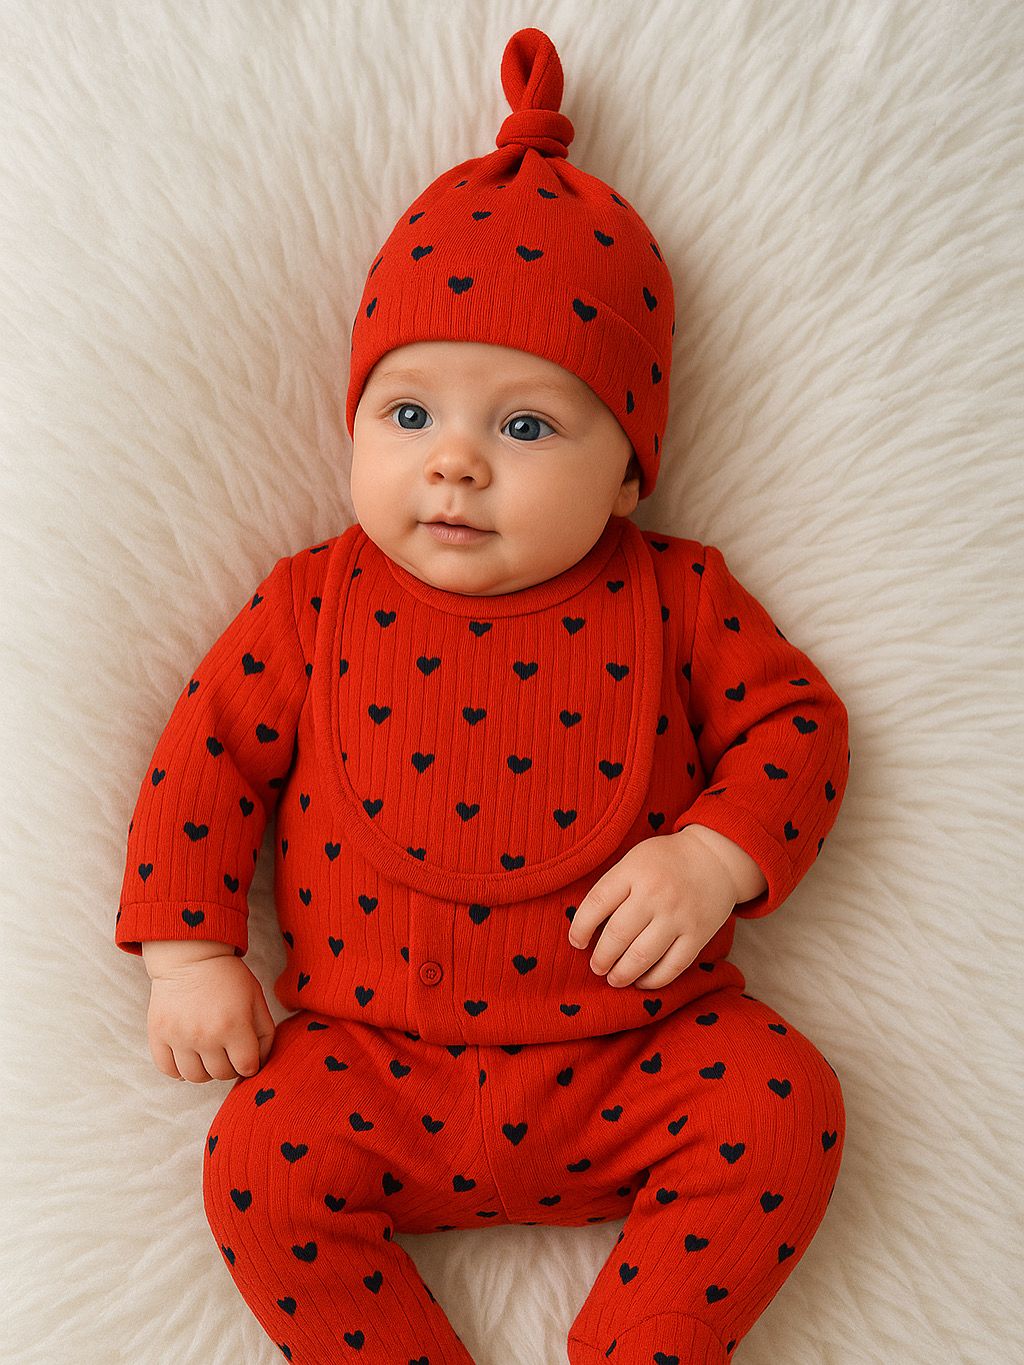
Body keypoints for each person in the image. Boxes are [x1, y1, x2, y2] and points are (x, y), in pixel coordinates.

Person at [116, 28, 850, 1364]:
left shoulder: (679, 593)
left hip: (638, 1054)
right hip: (369, 1064)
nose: (455, 463)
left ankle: (641, 1346)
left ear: (627, 470)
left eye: (525, 426)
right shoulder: (310, 601)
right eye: (408, 416)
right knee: (258, 1167)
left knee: (784, 1105)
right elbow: (204, 756)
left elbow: (797, 726)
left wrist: (715, 855)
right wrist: (191, 953)